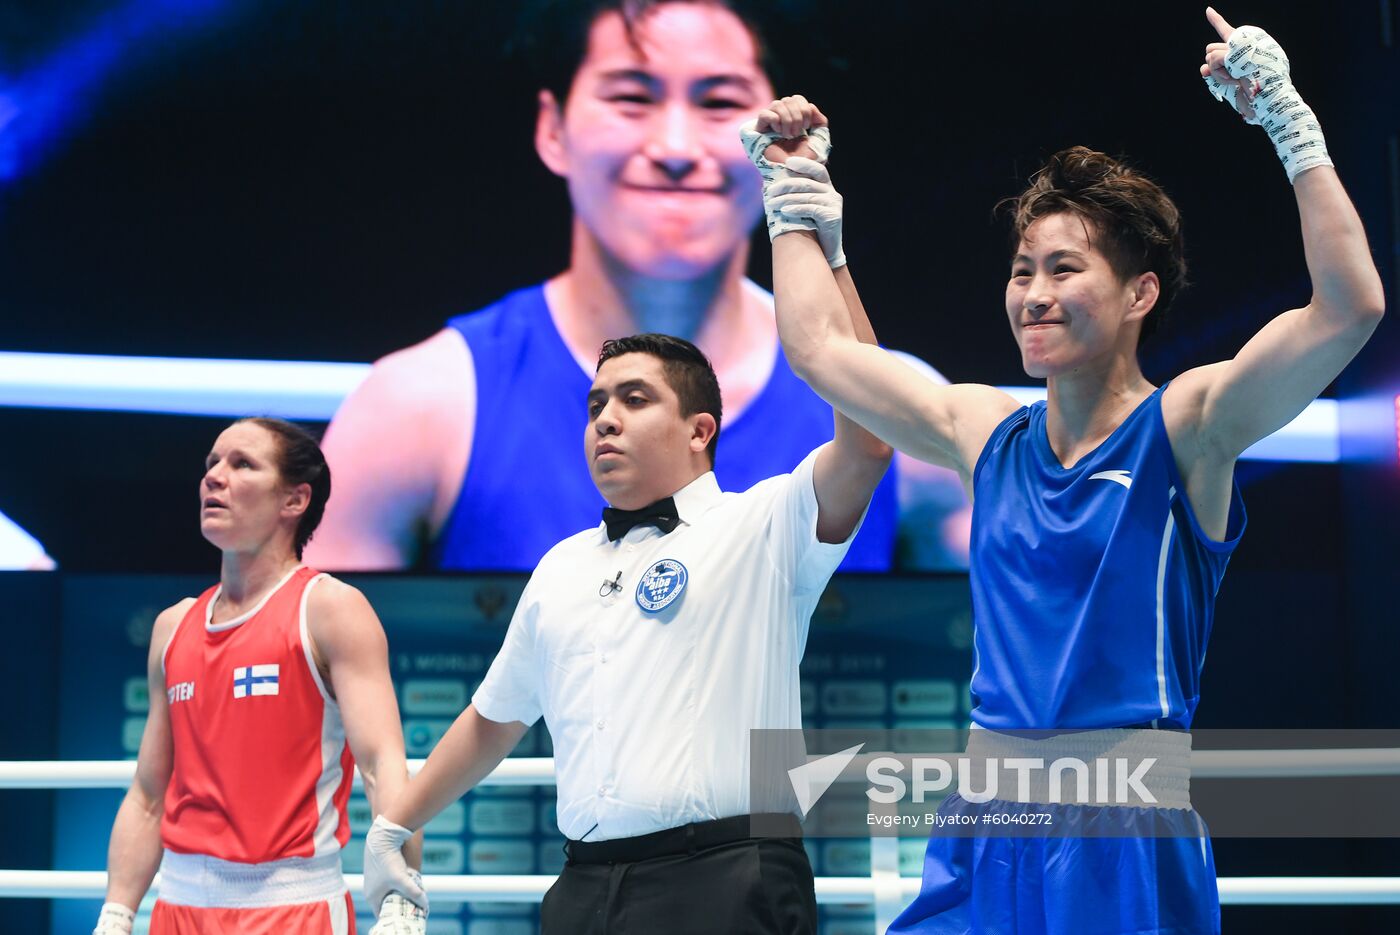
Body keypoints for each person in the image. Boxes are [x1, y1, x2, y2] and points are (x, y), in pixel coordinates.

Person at [748, 8, 1384, 933]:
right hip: (983, 812)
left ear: (1140, 293)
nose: (1034, 293)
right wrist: (796, 196)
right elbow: (817, 351)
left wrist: (1291, 126)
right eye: (1021, 270)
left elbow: (1350, 307)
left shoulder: (1191, 427)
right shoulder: (986, 430)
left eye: (1063, 268)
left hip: (1124, 825)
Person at [306, 0, 969, 576]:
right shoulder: (413, 412)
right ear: (552, 128)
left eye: (718, 102)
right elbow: (307, 704)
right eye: (631, 96)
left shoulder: (904, 415)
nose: (676, 145)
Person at [359, 329, 893, 934]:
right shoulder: (560, 565)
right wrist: (394, 825)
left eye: (635, 399)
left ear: (700, 431)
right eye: (596, 405)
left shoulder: (762, 524)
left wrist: (832, 259)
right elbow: (493, 718)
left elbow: (871, 441)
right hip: (583, 888)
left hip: (729, 879)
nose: (606, 420)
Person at [92, 418, 426, 935]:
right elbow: (148, 794)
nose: (214, 477)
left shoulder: (330, 610)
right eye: (211, 464)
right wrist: (116, 914)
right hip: (176, 910)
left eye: (242, 463)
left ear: (294, 500)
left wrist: (401, 901)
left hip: (293, 910)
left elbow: (383, 766)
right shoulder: (172, 627)